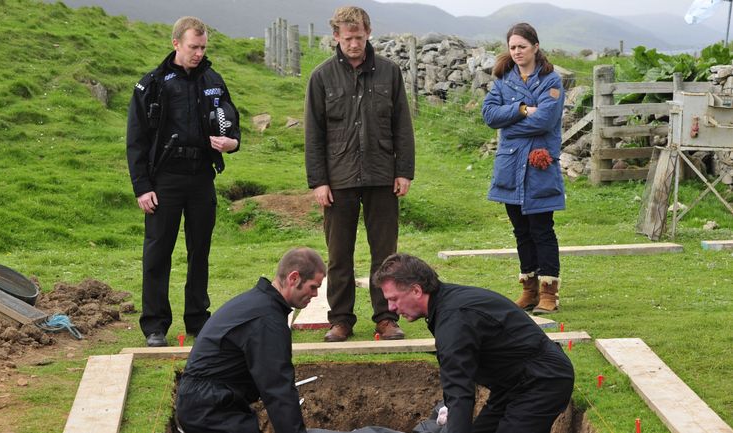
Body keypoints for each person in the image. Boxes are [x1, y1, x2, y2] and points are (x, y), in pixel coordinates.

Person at [126, 16, 241, 347]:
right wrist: (142, 187)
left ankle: (197, 319)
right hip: (165, 179)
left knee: (200, 249)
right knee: (158, 251)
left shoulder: (213, 80)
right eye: (193, 47)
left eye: (203, 47)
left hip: (202, 176)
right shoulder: (153, 84)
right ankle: (155, 325)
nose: (199, 53)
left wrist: (232, 143)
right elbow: (135, 140)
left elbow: (232, 125)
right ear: (176, 43)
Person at [304, 6, 415, 342]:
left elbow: (402, 126)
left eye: (359, 36)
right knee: (339, 255)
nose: (354, 43)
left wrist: (404, 171)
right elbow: (314, 134)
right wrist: (319, 181)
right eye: (347, 37)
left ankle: (385, 317)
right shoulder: (321, 77)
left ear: (369, 33)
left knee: (386, 254)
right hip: (338, 180)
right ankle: (340, 320)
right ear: (336, 36)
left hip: (383, 176)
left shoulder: (389, 73)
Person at [373, 253, 574, 433]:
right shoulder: (445, 305)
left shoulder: (454, 320)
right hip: (512, 384)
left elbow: (460, 390)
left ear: (416, 290)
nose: (392, 308)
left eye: (394, 299)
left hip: (543, 381)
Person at [175, 247, 325, 433]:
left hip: (206, 402)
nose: (316, 295)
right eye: (314, 287)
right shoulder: (267, 321)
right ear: (294, 278)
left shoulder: (258, 303)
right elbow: (278, 389)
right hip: (209, 411)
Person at [481, 23, 565, 315]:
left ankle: (548, 293)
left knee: (542, 229)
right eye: (512, 47)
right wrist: (519, 109)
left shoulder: (551, 81)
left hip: (539, 166)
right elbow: (489, 115)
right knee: (520, 231)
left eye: (522, 46)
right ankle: (528, 290)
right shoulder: (503, 79)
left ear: (535, 47)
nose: (516, 52)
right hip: (510, 166)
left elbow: (544, 121)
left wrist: (512, 126)